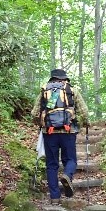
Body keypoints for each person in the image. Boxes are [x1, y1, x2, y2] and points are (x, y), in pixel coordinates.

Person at [31, 69, 90, 204]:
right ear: (64, 79)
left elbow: (34, 114)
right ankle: (67, 175)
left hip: (49, 133)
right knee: (70, 160)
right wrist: (85, 123)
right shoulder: (72, 90)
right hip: (68, 131)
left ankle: (55, 197)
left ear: (52, 79)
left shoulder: (44, 91)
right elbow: (84, 112)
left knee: (51, 164)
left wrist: (41, 125)